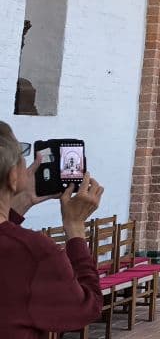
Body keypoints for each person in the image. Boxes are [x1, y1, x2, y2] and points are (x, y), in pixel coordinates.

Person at [0, 121, 104, 338]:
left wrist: (21, 203)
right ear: (13, 176)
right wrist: (75, 227)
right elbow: (87, 306)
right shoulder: (33, 251)